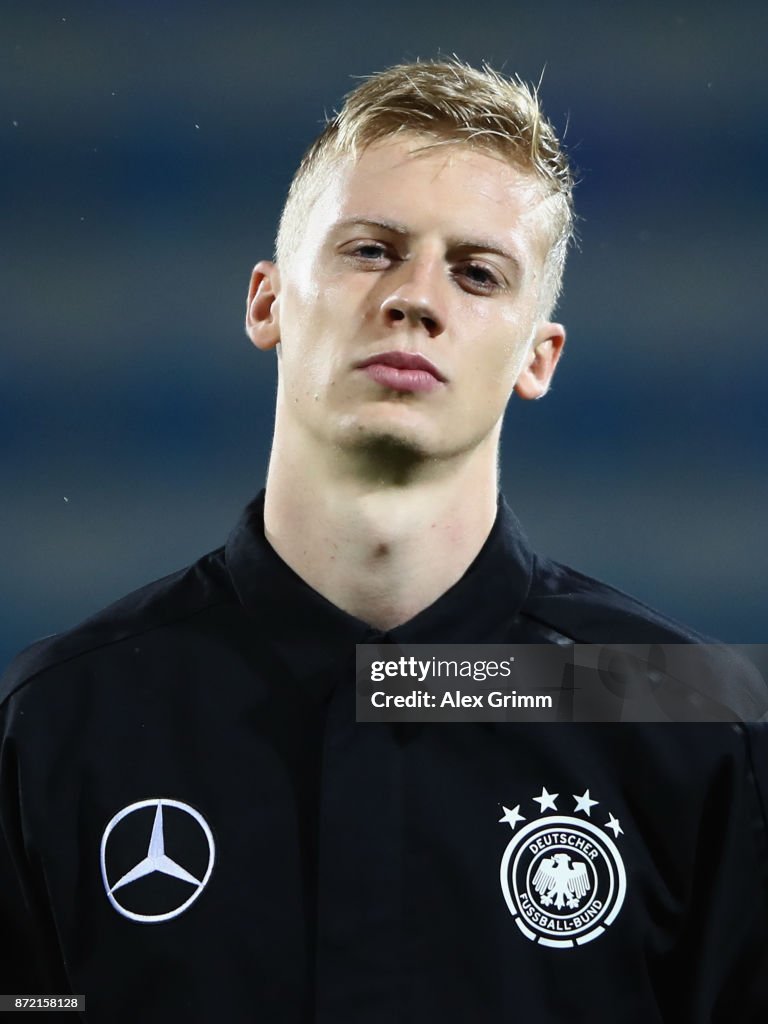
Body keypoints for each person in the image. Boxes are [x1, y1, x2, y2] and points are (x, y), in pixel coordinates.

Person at [0, 58, 765, 1023]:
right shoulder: (61, 720)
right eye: (371, 250)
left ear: (538, 355)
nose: (416, 298)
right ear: (268, 301)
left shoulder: (696, 723)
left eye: (477, 272)